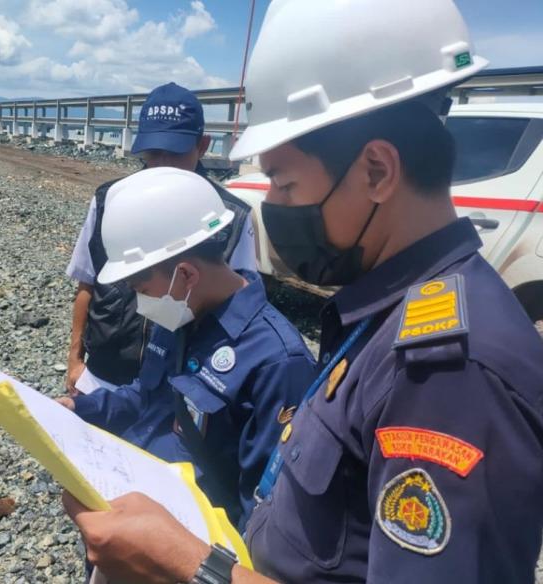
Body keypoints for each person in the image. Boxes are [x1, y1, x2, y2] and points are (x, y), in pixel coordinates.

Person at [61, 0, 543, 582]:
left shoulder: (450, 374)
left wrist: (187, 565)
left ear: (377, 172)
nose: (276, 209)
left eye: (285, 183)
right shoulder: (385, 313)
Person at [58, 166, 314, 528]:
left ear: (187, 275)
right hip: (134, 499)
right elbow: (147, 399)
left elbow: (263, 504)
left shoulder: (278, 362)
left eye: (140, 290)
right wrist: (79, 408)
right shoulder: (180, 313)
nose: (137, 302)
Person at [65, 82, 257, 396]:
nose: (163, 164)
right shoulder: (108, 200)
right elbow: (86, 282)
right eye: (154, 153)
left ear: (203, 146)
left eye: (176, 152)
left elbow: (242, 308)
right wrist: (75, 360)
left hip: (175, 389)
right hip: (99, 377)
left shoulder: (232, 217)